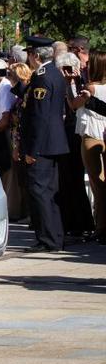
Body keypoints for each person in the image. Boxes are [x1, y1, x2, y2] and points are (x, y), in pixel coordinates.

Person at [20, 35, 69, 252]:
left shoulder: (42, 77)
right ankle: (55, 236)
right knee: (49, 191)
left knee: (39, 192)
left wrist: (33, 150)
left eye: (30, 54)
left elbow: (39, 117)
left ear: (35, 56)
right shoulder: (55, 74)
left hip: (43, 144)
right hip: (54, 142)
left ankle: (47, 238)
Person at [57, 51, 96, 238]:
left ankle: (83, 222)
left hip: (76, 134)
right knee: (66, 180)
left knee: (76, 180)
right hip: (64, 134)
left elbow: (74, 105)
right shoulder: (58, 83)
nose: (66, 72)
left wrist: (70, 83)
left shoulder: (83, 83)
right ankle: (70, 222)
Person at [73, 50, 106, 244]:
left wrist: (72, 84)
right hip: (102, 133)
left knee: (97, 183)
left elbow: (73, 104)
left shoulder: (90, 87)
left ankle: (100, 226)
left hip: (92, 135)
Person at [2, 63, 32, 221]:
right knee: (21, 178)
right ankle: (26, 211)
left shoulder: (24, 98)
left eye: (10, 74)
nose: (7, 77)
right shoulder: (18, 95)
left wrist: (17, 147)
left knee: (25, 178)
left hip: (20, 140)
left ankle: (28, 212)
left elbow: (19, 121)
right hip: (16, 138)